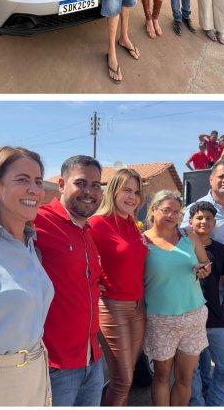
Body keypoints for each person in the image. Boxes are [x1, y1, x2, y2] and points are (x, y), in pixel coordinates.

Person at [0, 147, 54, 406]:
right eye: (22, 180)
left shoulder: (29, 243)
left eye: (37, 181)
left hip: (35, 368)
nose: (34, 189)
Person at [34, 155, 104, 406]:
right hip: (56, 366)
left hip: (92, 360)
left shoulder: (87, 231)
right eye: (81, 183)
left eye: (96, 185)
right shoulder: (37, 221)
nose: (90, 191)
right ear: (62, 184)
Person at [183, 160, 224, 407]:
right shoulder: (197, 209)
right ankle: (205, 393)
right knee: (200, 347)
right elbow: (180, 243)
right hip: (202, 289)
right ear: (210, 179)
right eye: (221, 176)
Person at [142, 190, 211, 407]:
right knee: (162, 376)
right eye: (166, 210)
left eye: (176, 212)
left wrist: (203, 270)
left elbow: (206, 263)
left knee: (185, 378)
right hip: (160, 320)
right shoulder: (142, 242)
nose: (171, 216)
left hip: (194, 316)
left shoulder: (188, 235)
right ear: (153, 210)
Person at [88, 168, 148, 406]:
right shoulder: (97, 224)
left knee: (127, 376)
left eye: (136, 192)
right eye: (126, 190)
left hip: (138, 307)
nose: (132, 197)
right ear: (113, 191)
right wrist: (94, 284)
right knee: (122, 380)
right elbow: (81, 259)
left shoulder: (133, 225)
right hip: (113, 308)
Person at [188, 201, 224, 408]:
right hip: (187, 315)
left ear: (214, 222)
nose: (204, 221)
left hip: (214, 316)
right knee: (192, 369)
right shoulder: (183, 247)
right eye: (199, 217)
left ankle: (217, 402)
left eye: (209, 218)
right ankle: (196, 403)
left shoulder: (220, 250)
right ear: (191, 221)